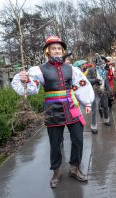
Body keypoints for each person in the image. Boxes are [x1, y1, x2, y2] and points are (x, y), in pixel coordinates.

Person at [11, 36, 95, 188]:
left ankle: (75, 168)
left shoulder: (72, 69)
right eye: (53, 48)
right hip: (52, 111)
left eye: (59, 48)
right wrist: (25, 80)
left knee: (78, 140)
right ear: (47, 51)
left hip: (72, 108)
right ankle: (56, 171)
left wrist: (87, 102)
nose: (56, 50)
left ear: (62, 51)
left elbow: (80, 84)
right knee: (55, 143)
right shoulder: (40, 70)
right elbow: (33, 87)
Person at [87, 53, 111, 134]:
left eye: (104, 63)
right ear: (97, 63)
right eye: (102, 63)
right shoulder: (91, 70)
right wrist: (95, 80)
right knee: (94, 109)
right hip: (95, 92)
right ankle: (93, 126)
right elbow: (87, 80)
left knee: (105, 106)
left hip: (103, 91)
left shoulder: (105, 71)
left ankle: (106, 120)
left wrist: (109, 90)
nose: (103, 64)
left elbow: (106, 81)